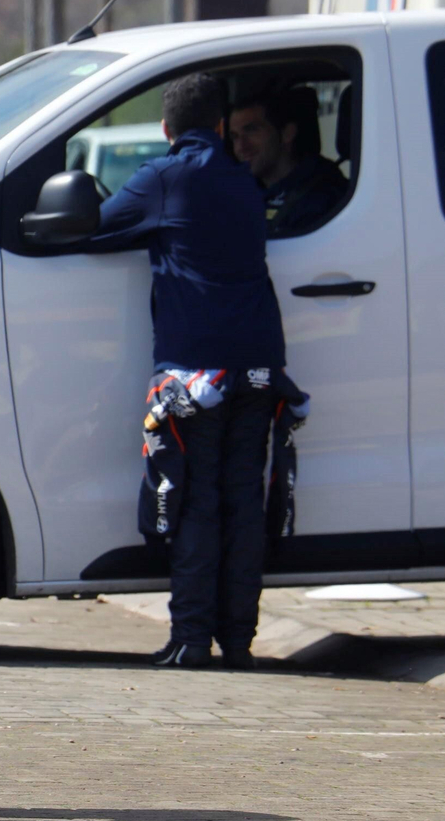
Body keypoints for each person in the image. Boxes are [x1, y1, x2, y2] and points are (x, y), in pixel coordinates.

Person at [84, 74, 288, 670]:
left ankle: (192, 639)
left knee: (195, 501)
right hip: (258, 366)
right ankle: (239, 642)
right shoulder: (245, 181)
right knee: (243, 502)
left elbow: (97, 225)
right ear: (223, 127)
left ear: (167, 130)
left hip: (194, 375)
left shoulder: (164, 177)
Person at [228, 87, 348, 236]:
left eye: (252, 130)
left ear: (287, 133)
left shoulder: (319, 201)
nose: (241, 147)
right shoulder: (244, 191)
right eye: (235, 137)